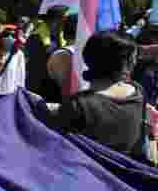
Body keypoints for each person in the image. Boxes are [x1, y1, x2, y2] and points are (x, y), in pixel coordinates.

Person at [37, 32, 150, 170]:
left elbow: (57, 153)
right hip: (126, 180)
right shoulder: (138, 92)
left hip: (88, 181)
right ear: (126, 64)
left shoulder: (78, 105)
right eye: (133, 58)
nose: (135, 62)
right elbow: (139, 145)